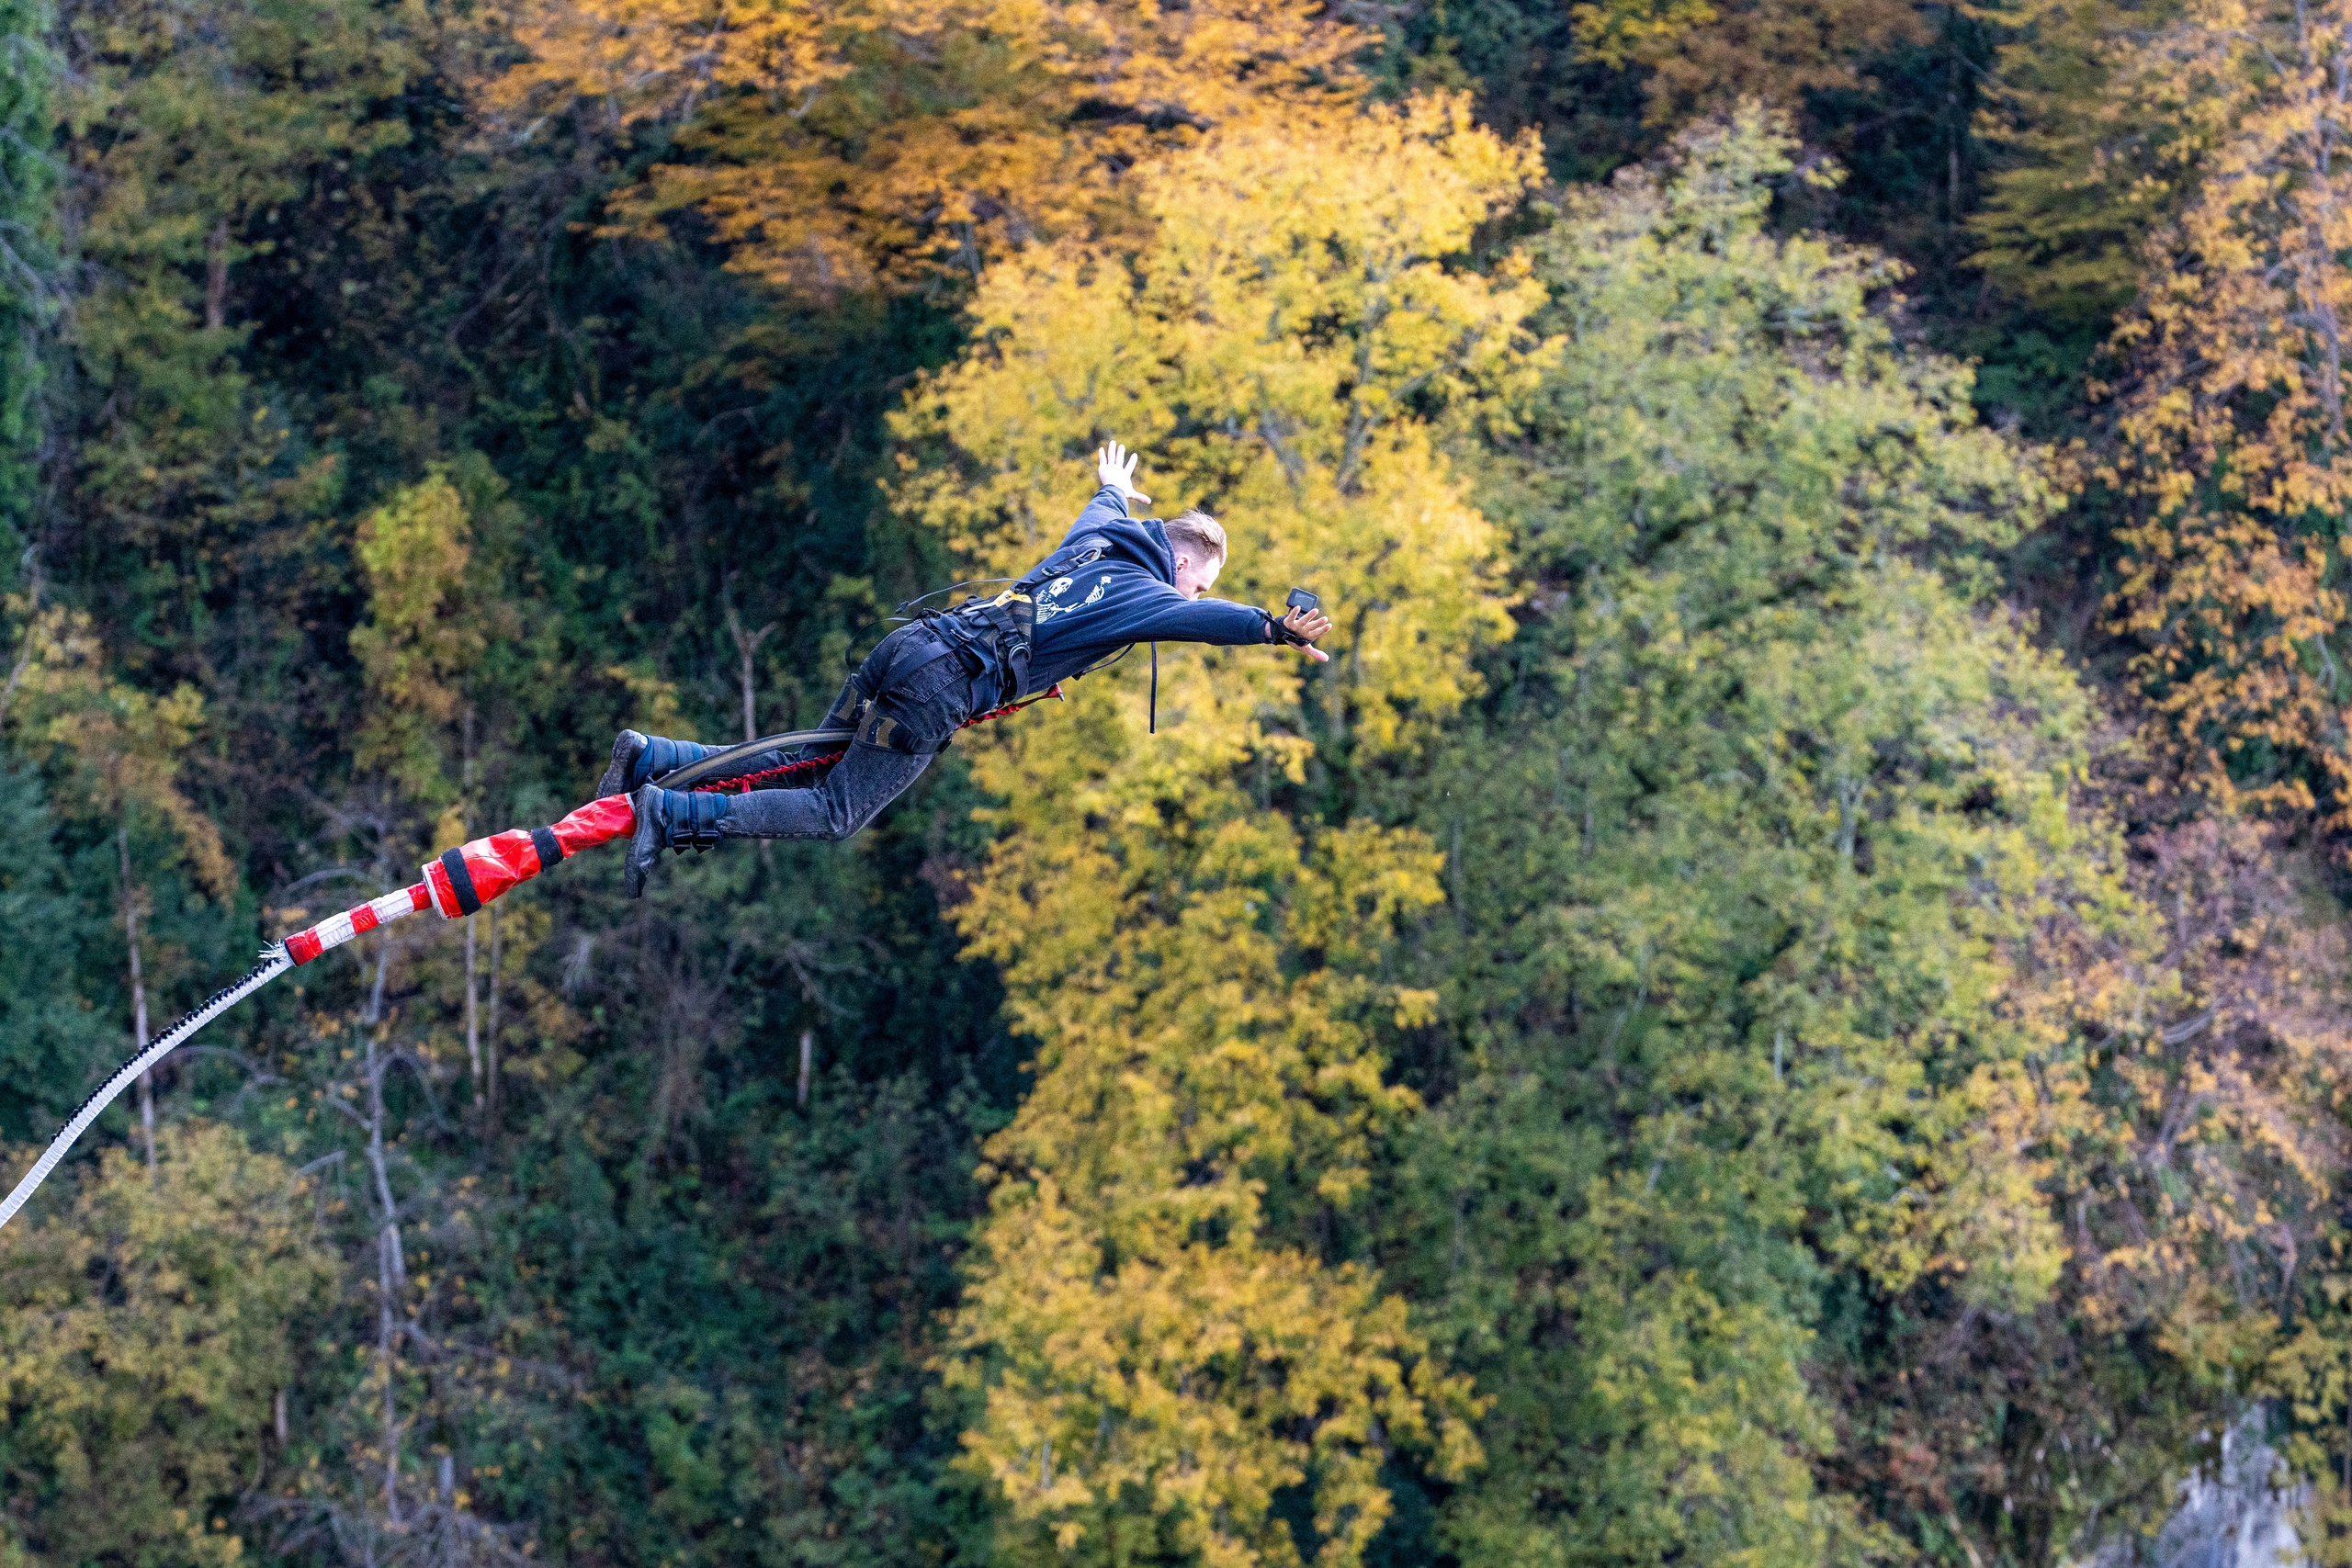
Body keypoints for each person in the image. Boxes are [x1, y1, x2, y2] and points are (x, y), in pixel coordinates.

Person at [604, 441, 1334, 896]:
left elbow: (1103, 501)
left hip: (913, 642)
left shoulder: (1106, 532)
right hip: (940, 688)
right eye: (1197, 581)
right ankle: (669, 814)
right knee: (834, 811)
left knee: (805, 762)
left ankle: (652, 758)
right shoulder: (1147, 594)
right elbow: (1201, 623)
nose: (1193, 596)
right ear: (1180, 563)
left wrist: (1113, 482)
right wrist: (1271, 627)